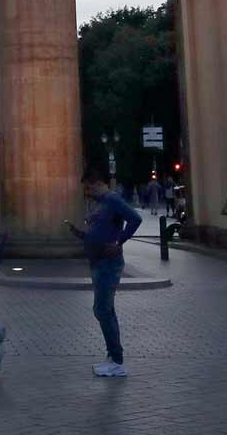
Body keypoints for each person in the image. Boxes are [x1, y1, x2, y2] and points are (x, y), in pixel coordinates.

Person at [66, 162, 143, 379]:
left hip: (109, 263)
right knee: (106, 310)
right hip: (98, 261)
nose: (88, 193)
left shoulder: (112, 199)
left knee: (102, 309)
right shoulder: (100, 203)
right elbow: (96, 231)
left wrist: (119, 241)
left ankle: (117, 360)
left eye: (89, 188)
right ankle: (113, 357)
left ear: (98, 184)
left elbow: (135, 219)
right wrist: (78, 233)